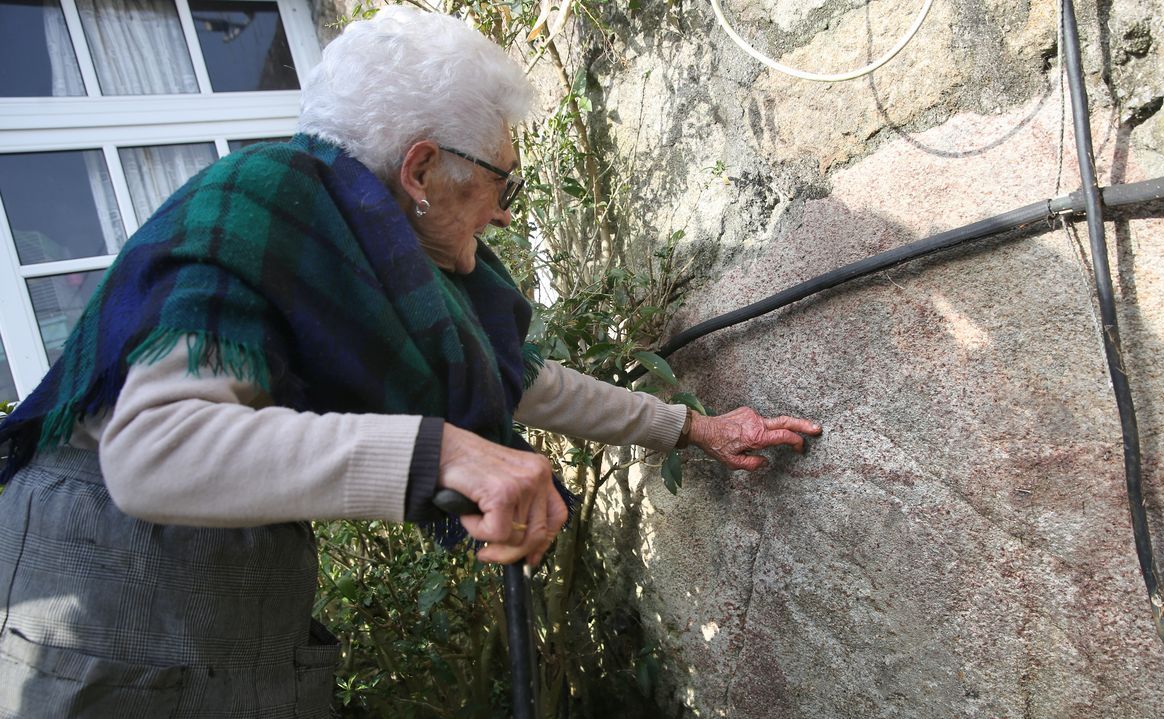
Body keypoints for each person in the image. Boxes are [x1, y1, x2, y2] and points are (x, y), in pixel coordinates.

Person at [0, 7, 821, 717]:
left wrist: (692, 425)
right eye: (504, 179)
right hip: (103, 603)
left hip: (221, 594)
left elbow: (520, 380)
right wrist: (445, 451)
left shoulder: (383, 261)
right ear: (421, 169)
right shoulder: (260, 214)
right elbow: (153, 452)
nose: (505, 212)